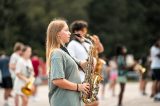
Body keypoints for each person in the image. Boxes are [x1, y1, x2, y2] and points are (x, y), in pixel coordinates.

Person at [46, 19, 90, 106]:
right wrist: (79, 87)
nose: (70, 33)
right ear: (58, 33)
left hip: (71, 100)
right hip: (64, 101)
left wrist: (91, 60)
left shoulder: (64, 52)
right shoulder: (57, 53)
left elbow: (81, 64)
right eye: (66, 30)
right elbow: (57, 80)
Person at [67, 20, 104, 106]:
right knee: (87, 103)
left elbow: (101, 50)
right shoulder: (72, 44)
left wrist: (98, 43)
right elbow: (71, 61)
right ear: (76, 31)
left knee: (94, 102)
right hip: (80, 77)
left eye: (85, 30)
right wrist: (85, 64)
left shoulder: (87, 43)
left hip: (89, 78)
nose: (85, 32)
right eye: (83, 30)